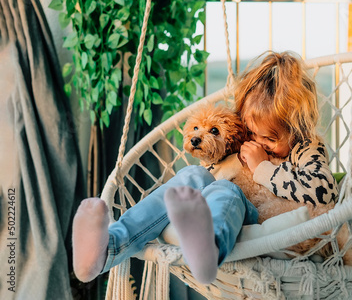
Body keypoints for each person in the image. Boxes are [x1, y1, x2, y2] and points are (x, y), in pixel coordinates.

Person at [72, 51, 337, 286]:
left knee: (227, 190)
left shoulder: (306, 148)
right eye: (252, 133)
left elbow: (324, 192)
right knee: (194, 176)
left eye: (270, 139)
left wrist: (264, 168)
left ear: (298, 128)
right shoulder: (247, 139)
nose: (258, 144)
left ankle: (209, 247)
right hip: (227, 203)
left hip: (256, 215)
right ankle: (110, 245)